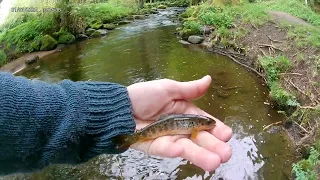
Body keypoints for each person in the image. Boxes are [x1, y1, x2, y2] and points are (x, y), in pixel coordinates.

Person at [0, 72, 232, 175]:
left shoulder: (195, 125)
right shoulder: (195, 125)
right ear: (199, 124)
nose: (209, 124)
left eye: (208, 123)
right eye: (207, 123)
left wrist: (120, 106)